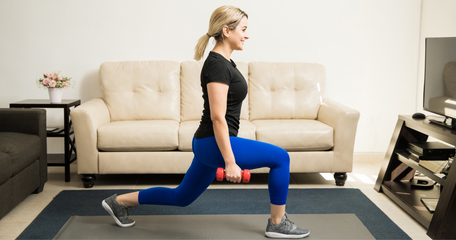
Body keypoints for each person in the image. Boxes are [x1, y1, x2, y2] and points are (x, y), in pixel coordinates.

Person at [101, 5, 310, 239]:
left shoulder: (224, 62)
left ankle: (118, 202)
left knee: (181, 197)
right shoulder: (218, 66)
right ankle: (277, 222)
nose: (247, 34)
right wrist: (230, 162)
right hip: (214, 142)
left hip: (207, 143)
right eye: (243, 29)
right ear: (226, 31)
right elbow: (217, 117)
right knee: (281, 158)